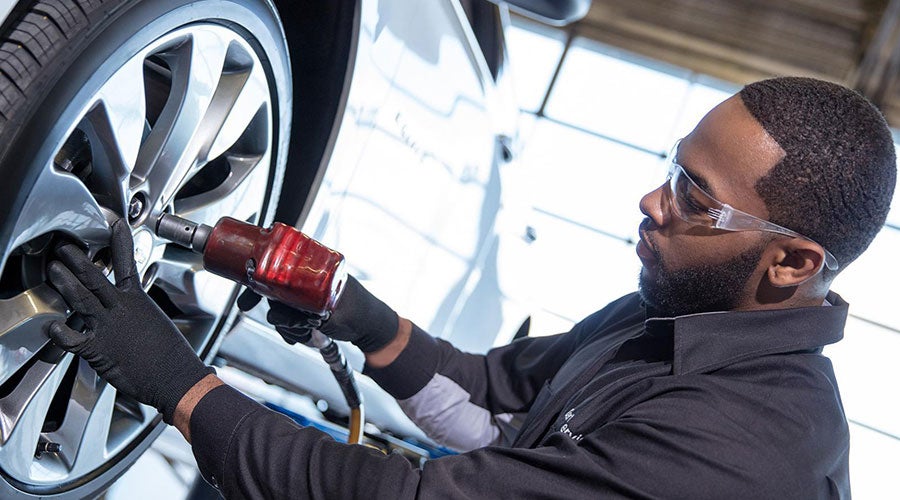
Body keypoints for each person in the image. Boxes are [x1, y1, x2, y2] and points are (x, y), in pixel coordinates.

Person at [45, 76, 895, 499]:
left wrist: (181, 386)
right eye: (672, 169)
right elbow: (492, 401)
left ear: (793, 263)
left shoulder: (749, 450)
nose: (652, 201)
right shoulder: (671, 311)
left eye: (694, 198)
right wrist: (357, 314)